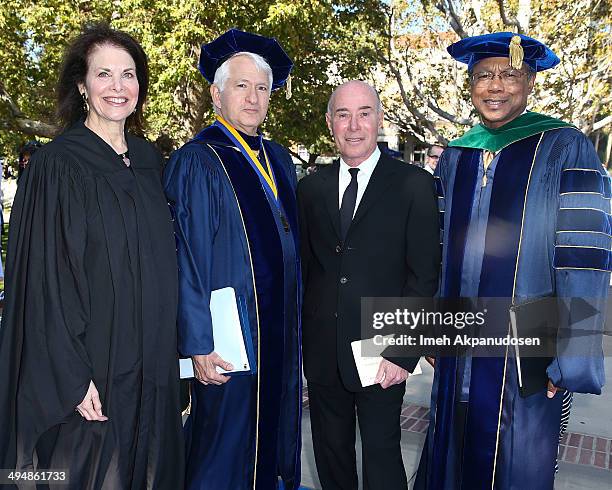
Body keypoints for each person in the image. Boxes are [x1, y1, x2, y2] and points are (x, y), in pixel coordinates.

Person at [415, 33, 609, 489]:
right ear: (470, 84)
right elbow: (438, 251)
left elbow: (584, 257)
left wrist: (573, 352)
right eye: (483, 75)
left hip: (529, 341)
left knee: (518, 462)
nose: (495, 86)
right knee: (452, 453)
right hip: (460, 341)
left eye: (509, 75)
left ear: (531, 81)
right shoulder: (458, 154)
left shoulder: (564, 146)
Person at [0, 23, 184, 488]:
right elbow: (45, 280)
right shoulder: (56, 166)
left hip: (153, 369)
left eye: (128, 75)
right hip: (94, 370)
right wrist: (71, 374)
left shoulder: (148, 163)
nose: (118, 88)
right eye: (104, 75)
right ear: (82, 86)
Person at [163, 29, 301, 490]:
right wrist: (198, 343)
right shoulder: (199, 160)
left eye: (262, 88)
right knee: (223, 444)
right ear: (216, 93)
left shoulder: (279, 159)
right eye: (241, 85)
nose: (253, 96)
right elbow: (188, 257)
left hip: (276, 332)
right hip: (229, 336)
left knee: (270, 439)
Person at [297, 80, 440, 490]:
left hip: (382, 346)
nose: (354, 125)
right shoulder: (310, 188)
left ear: (378, 119)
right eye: (343, 115)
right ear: (330, 123)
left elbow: (424, 276)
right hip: (324, 350)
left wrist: (403, 351)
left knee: (381, 455)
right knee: (330, 452)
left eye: (364, 113)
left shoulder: (413, 185)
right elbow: (309, 271)